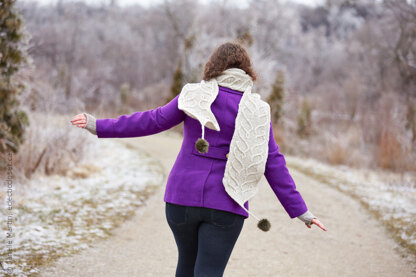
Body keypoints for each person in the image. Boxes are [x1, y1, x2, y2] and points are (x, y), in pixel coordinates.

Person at [71, 42, 327, 277]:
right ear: (248, 71)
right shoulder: (258, 110)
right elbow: (273, 162)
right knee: (208, 272)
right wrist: (301, 210)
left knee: (186, 265)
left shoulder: (193, 94)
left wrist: (98, 125)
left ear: (213, 66)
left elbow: (152, 120)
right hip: (226, 203)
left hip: (181, 199)